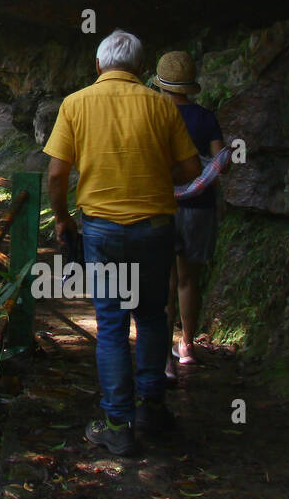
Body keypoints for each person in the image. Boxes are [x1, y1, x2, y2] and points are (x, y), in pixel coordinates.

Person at [43, 30, 201, 456]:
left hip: (103, 230)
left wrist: (62, 220)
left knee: (112, 325)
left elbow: (57, 175)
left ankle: (117, 423)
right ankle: (151, 407)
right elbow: (191, 168)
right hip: (155, 227)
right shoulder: (162, 106)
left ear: (99, 66)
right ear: (139, 68)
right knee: (151, 316)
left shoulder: (75, 104)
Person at [154, 52, 226, 381]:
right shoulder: (206, 118)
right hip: (199, 206)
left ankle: (164, 359)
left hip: (161, 206)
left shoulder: (154, 113)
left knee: (165, 283)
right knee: (188, 280)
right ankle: (187, 346)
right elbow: (219, 160)